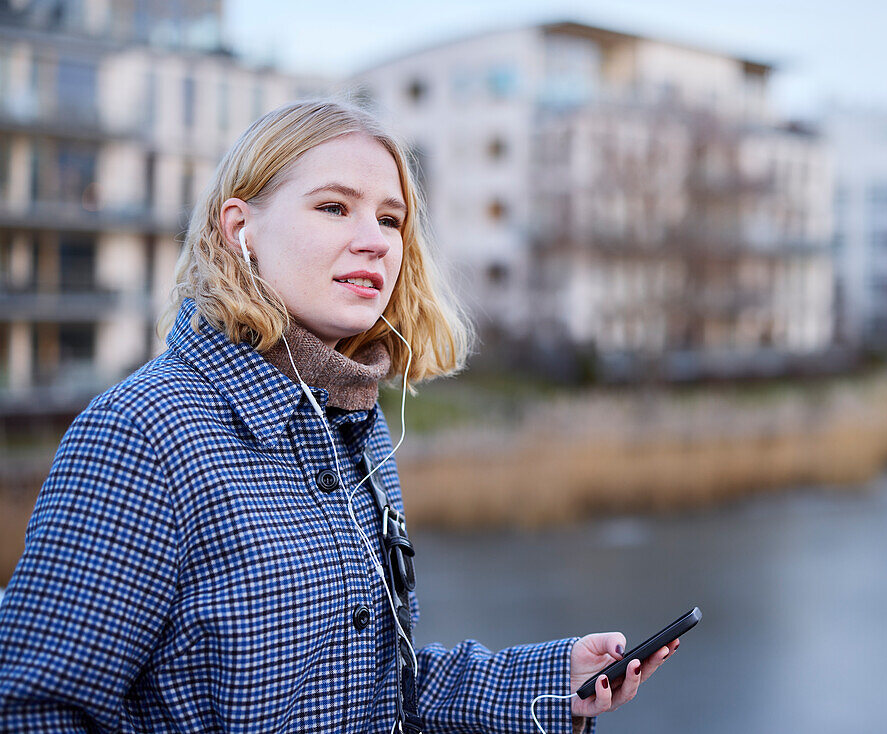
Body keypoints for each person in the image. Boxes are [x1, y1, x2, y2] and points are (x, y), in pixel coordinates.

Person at [0, 99, 677, 733]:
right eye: (333, 207)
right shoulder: (143, 434)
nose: (376, 241)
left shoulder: (354, 424)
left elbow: (380, 687)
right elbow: (32, 707)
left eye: (389, 218)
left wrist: (555, 679)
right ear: (241, 229)